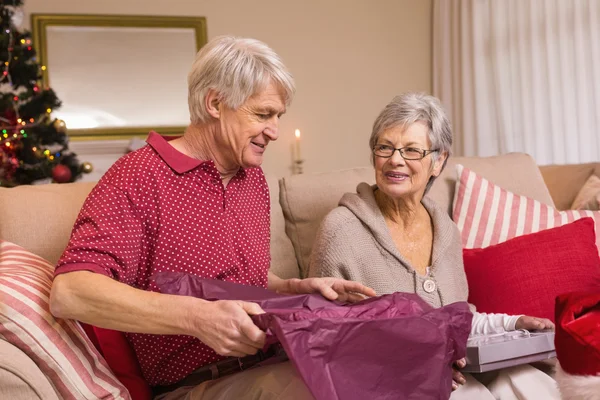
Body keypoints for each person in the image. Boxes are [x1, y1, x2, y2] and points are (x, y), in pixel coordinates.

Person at [49, 36, 374, 400]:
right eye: (263, 114)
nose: (275, 131)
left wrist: (291, 287)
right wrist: (198, 318)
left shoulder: (251, 178)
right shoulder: (140, 176)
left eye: (278, 116)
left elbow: (230, 276)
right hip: (197, 384)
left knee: (382, 362)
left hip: (274, 359)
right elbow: (71, 291)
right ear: (215, 103)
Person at [308, 92, 560, 400]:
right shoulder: (341, 230)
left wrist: (512, 323)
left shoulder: (446, 231)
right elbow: (320, 338)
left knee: (532, 381)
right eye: (385, 147)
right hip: (390, 383)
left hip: (452, 373)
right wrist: (414, 365)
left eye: (411, 150)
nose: (395, 160)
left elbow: (454, 319)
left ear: (438, 161)